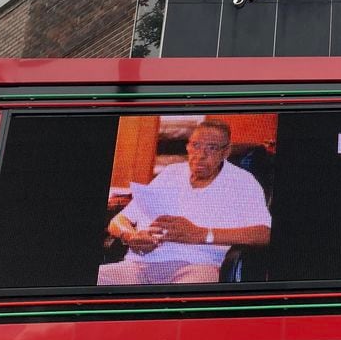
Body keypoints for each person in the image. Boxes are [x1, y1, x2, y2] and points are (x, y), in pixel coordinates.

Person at [98, 121, 271, 285]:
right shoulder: (170, 173)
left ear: (226, 152)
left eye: (211, 148)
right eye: (196, 146)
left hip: (197, 267)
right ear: (188, 146)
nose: (201, 155)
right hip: (138, 266)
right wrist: (131, 236)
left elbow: (265, 233)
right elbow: (118, 221)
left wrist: (202, 234)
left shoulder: (243, 182)